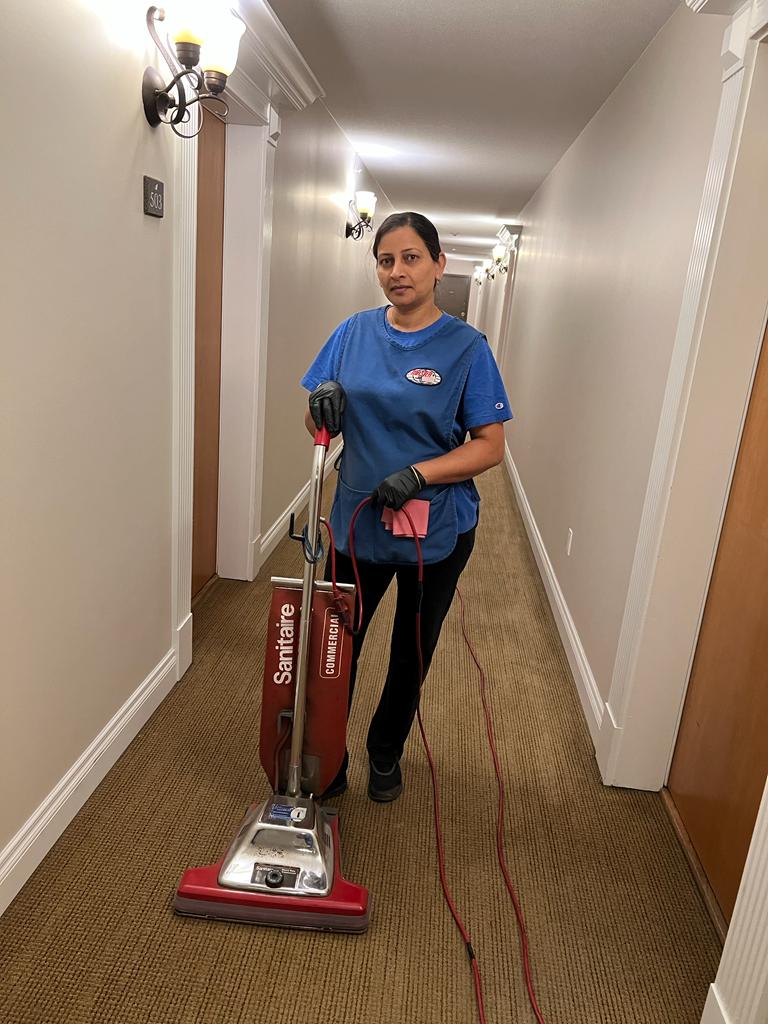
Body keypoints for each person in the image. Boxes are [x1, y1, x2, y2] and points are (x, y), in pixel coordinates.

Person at [301, 211, 512, 802]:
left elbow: (490, 448)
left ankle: (386, 750)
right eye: (387, 260)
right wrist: (322, 406)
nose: (398, 272)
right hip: (358, 521)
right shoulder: (352, 333)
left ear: (439, 265)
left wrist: (420, 473)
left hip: (435, 531)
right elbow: (314, 418)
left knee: (410, 650)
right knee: (338, 649)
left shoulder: (467, 348)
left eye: (412, 257)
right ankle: (330, 753)